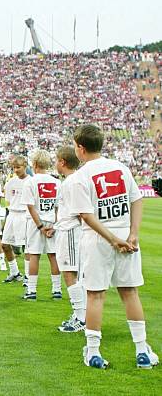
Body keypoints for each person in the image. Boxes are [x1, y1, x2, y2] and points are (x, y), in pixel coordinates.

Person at [70, 124, 158, 369]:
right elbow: (136, 199)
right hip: (124, 236)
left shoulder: (81, 177)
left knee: (95, 295)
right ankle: (141, 350)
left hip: (98, 239)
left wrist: (112, 239)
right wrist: (133, 234)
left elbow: (87, 216)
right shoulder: (120, 167)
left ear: (80, 148)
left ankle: (94, 352)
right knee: (130, 292)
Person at [53, 146, 86, 333]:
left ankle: (81, 318)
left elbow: (79, 212)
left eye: (57, 160)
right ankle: (79, 314)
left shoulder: (72, 182)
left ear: (62, 162)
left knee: (70, 272)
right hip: (65, 229)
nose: (56, 164)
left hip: (71, 231)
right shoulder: (70, 181)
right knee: (70, 272)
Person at [21, 150, 61, 301]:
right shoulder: (57, 182)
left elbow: (31, 207)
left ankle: (32, 290)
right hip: (51, 222)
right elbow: (58, 208)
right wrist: (54, 226)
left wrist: (39, 226)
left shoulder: (30, 182)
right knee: (53, 255)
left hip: (35, 223)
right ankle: (56, 290)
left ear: (35, 164)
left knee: (34, 255)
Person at [1, 156, 31, 283]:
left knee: (26, 247)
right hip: (12, 214)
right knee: (5, 244)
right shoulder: (10, 182)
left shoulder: (31, 181)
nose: (16, 170)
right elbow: (8, 200)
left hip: (25, 215)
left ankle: (28, 277)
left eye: (18, 167)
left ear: (25, 166)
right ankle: (14, 272)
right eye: (14, 167)